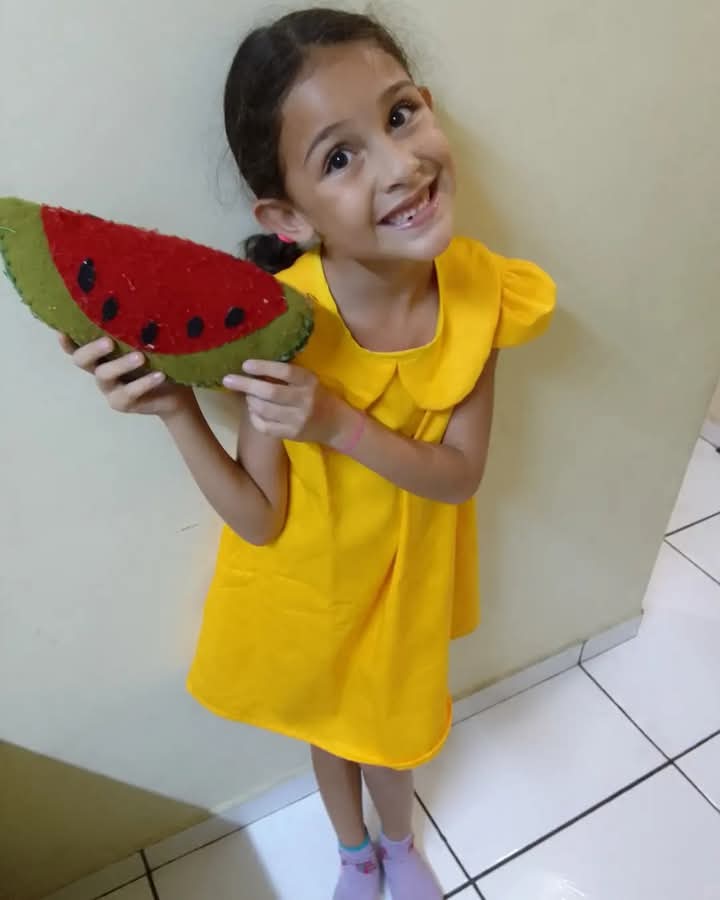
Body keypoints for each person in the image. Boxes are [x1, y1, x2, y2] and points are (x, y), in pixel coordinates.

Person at [61, 7, 555, 898]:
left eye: (400, 115)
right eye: (339, 157)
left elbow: (460, 477)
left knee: (393, 740)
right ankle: (353, 853)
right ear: (285, 215)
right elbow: (261, 518)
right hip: (316, 594)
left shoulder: (480, 293)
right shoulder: (277, 324)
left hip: (405, 591)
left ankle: (398, 846)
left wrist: (337, 425)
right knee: (333, 738)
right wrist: (177, 410)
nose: (399, 166)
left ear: (428, 104)